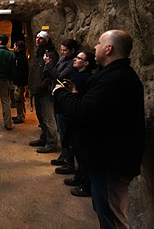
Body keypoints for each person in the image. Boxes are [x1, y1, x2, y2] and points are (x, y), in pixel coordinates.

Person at [53, 30, 145, 229]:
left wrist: (61, 94)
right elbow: (97, 108)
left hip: (111, 162)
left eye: (99, 42)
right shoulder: (112, 76)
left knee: (113, 217)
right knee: (105, 211)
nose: (95, 46)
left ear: (109, 48)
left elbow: (85, 111)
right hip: (105, 158)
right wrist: (76, 94)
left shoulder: (116, 79)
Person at [58, 51, 96, 197]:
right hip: (73, 115)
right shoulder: (77, 74)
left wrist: (70, 92)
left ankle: (85, 185)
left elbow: (81, 100)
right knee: (77, 150)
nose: (75, 59)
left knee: (82, 153)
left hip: (79, 118)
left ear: (86, 63)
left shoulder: (87, 79)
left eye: (79, 58)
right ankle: (79, 178)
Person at [44, 38, 79, 171]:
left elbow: (59, 77)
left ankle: (68, 161)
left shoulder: (71, 63)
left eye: (65, 50)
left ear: (72, 51)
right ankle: (64, 155)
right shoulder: (63, 59)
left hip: (64, 99)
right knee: (60, 128)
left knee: (65, 130)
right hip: (57, 97)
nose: (62, 52)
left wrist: (48, 65)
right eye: (62, 50)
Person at [28, 31, 59, 153]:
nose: (37, 40)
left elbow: (51, 73)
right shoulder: (39, 55)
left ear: (46, 40)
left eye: (40, 39)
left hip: (45, 92)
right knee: (41, 117)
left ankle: (51, 142)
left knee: (48, 118)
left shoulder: (50, 55)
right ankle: (44, 137)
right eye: (36, 38)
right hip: (38, 91)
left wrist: (42, 85)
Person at [11, 40, 29, 124]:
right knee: (18, 99)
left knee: (20, 99)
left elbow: (22, 71)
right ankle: (19, 114)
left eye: (15, 46)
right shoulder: (19, 56)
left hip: (20, 82)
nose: (14, 48)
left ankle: (21, 116)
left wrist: (20, 82)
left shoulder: (20, 57)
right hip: (19, 81)